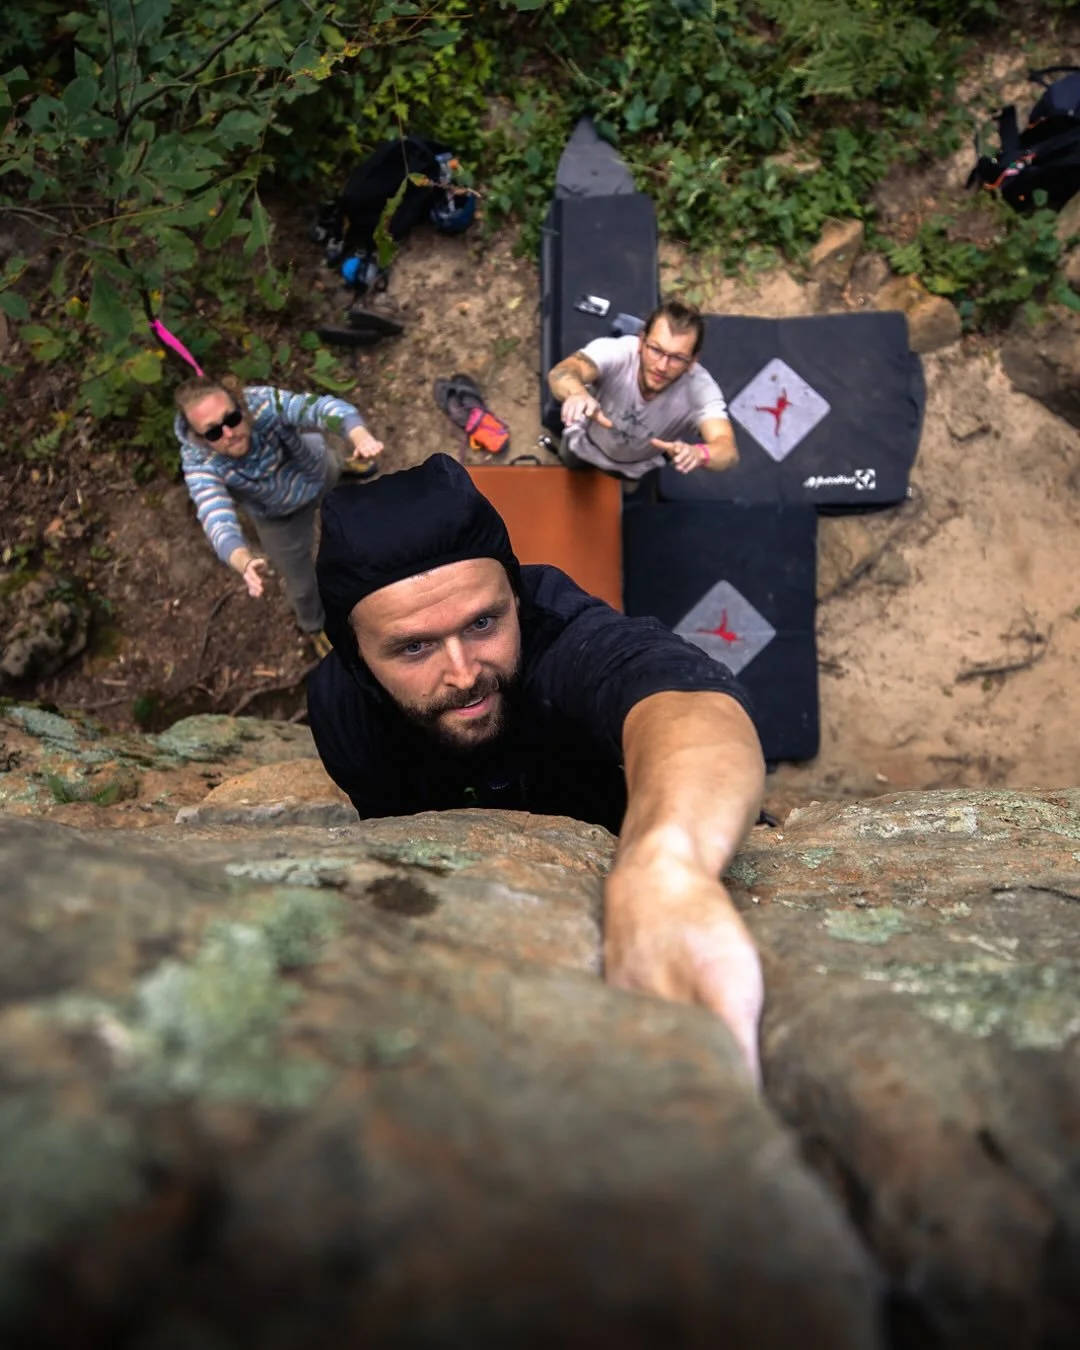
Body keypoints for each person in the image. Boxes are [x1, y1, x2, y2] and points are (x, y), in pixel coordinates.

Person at [308, 454, 767, 1082]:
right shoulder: (343, 714)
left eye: (483, 623)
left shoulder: (557, 633)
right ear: (357, 657)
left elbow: (684, 702)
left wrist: (667, 865)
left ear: (514, 598)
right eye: (414, 647)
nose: (464, 672)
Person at [174, 376, 383, 654]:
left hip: (317, 471)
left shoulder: (262, 403)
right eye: (213, 432)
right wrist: (243, 560)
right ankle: (314, 626)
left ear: (241, 406)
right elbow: (214, 515)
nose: (229, 433)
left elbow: (318, 408)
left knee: (329, 461)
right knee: (302, 586)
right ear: (200, 438)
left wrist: (358, 435)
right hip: (278, 514)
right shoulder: (199, 462)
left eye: (232, 418)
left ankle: (344, 466)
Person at [547, 298, 738, 480]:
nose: (662, 366)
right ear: (641, 341)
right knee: (571, 469)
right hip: (584, 444)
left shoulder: (701, 390)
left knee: (625, 490)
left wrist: (700, 454)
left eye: (677, 358)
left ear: (692, 361)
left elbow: (728, 451)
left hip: (635, 466)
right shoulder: (618, 352)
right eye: (656, 350)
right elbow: (563, 372)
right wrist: (577, 393)